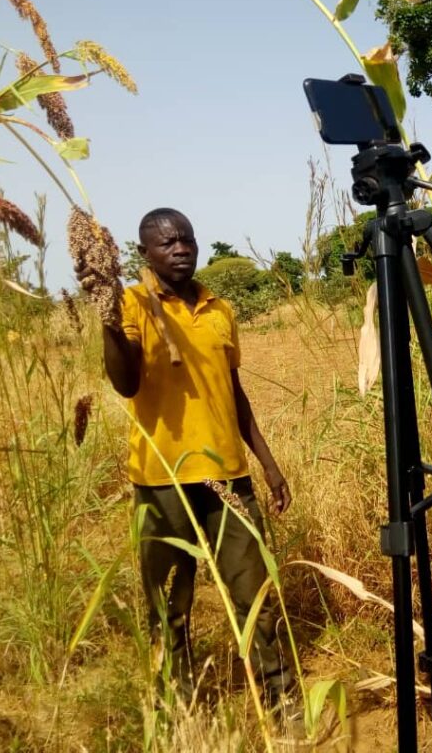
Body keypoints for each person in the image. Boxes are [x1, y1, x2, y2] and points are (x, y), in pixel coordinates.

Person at [78, 207, 293, 703]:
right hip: (162, 482)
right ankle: (180, 704)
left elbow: (232, 391)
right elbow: (125, 382)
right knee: (169, 604)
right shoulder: (131, 303)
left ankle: (279, 699)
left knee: (254, 595)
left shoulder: (220, 309)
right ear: (145, 253)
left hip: (228, 477)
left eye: (187, 241)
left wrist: (268, 462)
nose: (180, 250)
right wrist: (110, 322)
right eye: (167, 243)